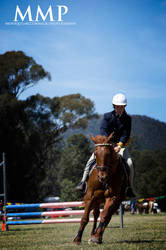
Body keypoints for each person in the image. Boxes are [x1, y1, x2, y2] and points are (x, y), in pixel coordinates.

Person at [76, 93, 136, 198]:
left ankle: (129, 187)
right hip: (106, 144)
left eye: (121, 107)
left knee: (130, 163)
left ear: (124, 107)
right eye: (117, 107)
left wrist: (119, 146)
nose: (119, 109)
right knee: (90, 161)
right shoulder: (107, 116)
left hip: (120, 145)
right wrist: (106, 143)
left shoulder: (128, 119)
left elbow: (126, 134)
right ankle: (83, 182)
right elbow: (103, 130)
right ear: (114, 106)